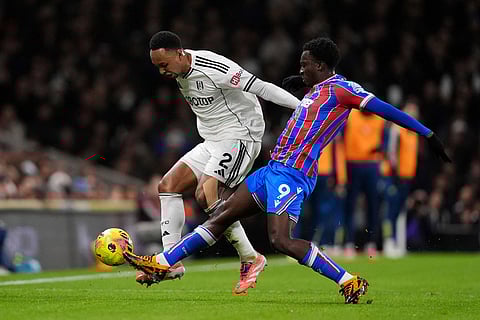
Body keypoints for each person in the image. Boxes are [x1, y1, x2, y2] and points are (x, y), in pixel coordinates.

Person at [123, 37, 451, 303]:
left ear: (321, 66)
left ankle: (347, 279)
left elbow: (386, 110)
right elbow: (308, 107)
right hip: (273, 169)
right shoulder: (316, 90)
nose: (300, 69)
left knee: (281, 240)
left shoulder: (343, 90)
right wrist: (305, 86)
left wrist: (427, 134)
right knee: (219, 217)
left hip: (293, 175)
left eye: (305, 65)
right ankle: (165, 262)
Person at [140, 31, 301, 294]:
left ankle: (250, 258)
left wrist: (303, 107)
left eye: (165, 65)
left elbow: (261, 87)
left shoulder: (215, 67)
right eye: (157, 67)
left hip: (241, 135)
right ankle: (172, 260)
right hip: (213, 140)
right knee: (167, 185)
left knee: (206, 192)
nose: (162, 72)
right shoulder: (179, 71)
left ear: (179, 53)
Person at [343, 109, 387, 258]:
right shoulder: (351, 116)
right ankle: (349, 243)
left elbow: (384, 141)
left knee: (373, 206)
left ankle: (371, 243)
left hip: (372, 165)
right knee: (350, 205)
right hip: (352, 164)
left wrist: (380, 151)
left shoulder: (379, 119)